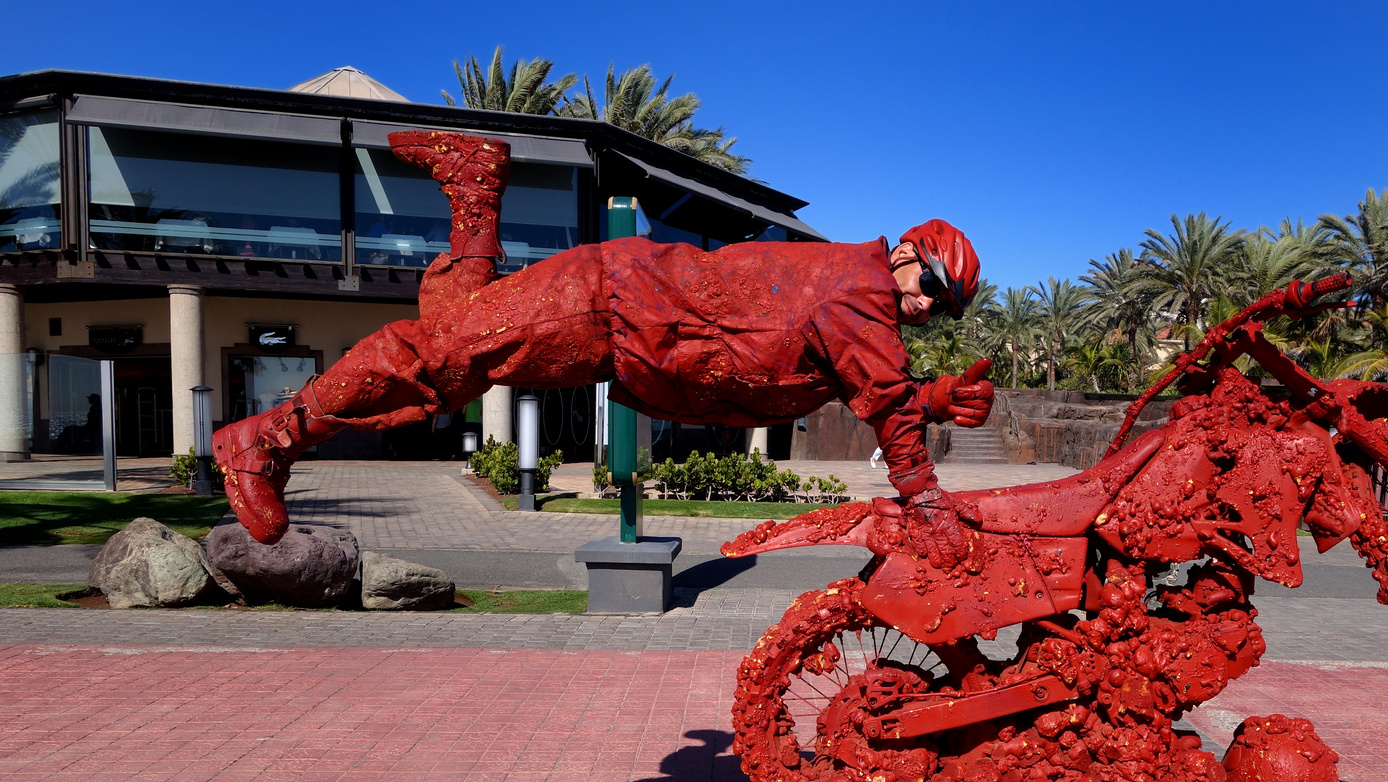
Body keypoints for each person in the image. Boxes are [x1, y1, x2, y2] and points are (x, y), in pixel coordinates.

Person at [213, 131, 996, 565]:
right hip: (608, 303)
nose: (926, 304)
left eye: (941, 305)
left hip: (619, 333)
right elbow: (884, 401)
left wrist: (930, 399)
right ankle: (265, 438)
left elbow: (852, 384)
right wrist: (926, 501)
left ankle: (473, 183)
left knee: (457, 345)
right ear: (904, 252)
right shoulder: (857, 292)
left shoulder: (858, 311)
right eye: (928, 281)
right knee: (441, 356)